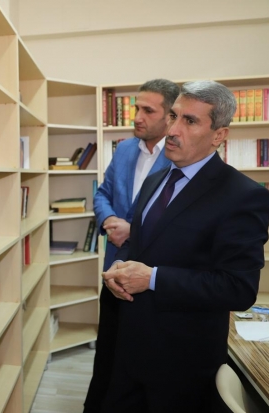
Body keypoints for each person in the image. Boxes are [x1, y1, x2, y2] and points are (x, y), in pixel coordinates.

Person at [101, 80, 269, 412]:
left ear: (219, 135)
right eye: (174, 116)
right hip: (129, 349)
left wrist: (152, 278)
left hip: (183, 364)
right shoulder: (156, 179)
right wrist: (118, 266)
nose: (173, 130)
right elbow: (138, 241)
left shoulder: (243, 195)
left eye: (190, 121)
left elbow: (238, 288)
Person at [85, 79, 179, 413]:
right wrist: (110, 219)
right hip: (113, 270)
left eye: (148, 110)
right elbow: (102, 193)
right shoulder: (124, 149)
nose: (137, 117)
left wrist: (132, 230)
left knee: (141, 361)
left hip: (150, 276)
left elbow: (178, 216)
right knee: (107, 353)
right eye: (136, 108)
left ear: (169, 116)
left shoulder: (180, 155)